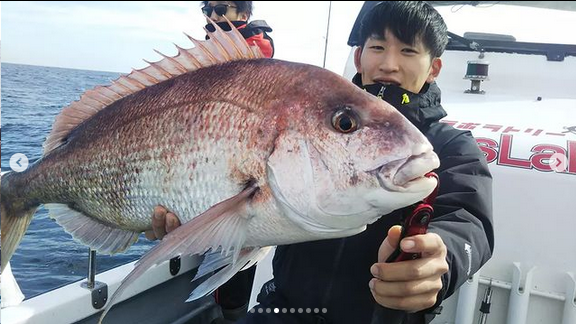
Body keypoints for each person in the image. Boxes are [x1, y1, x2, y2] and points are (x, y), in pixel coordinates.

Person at [148, 2, 494, 323]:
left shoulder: (450, 146)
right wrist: (190, 223)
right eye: (377, 48)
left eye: (407, 50)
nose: (389, 63)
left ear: (433, 67)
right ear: (358, 58)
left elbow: (469, 221)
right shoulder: (312, 113)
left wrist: (441, 260)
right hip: (283, 310)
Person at [201, 1, 274, 58]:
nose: (212, 17)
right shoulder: (204, 48)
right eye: (208, 10)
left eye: (221, 9)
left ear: (243, 16)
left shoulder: (256, 41)